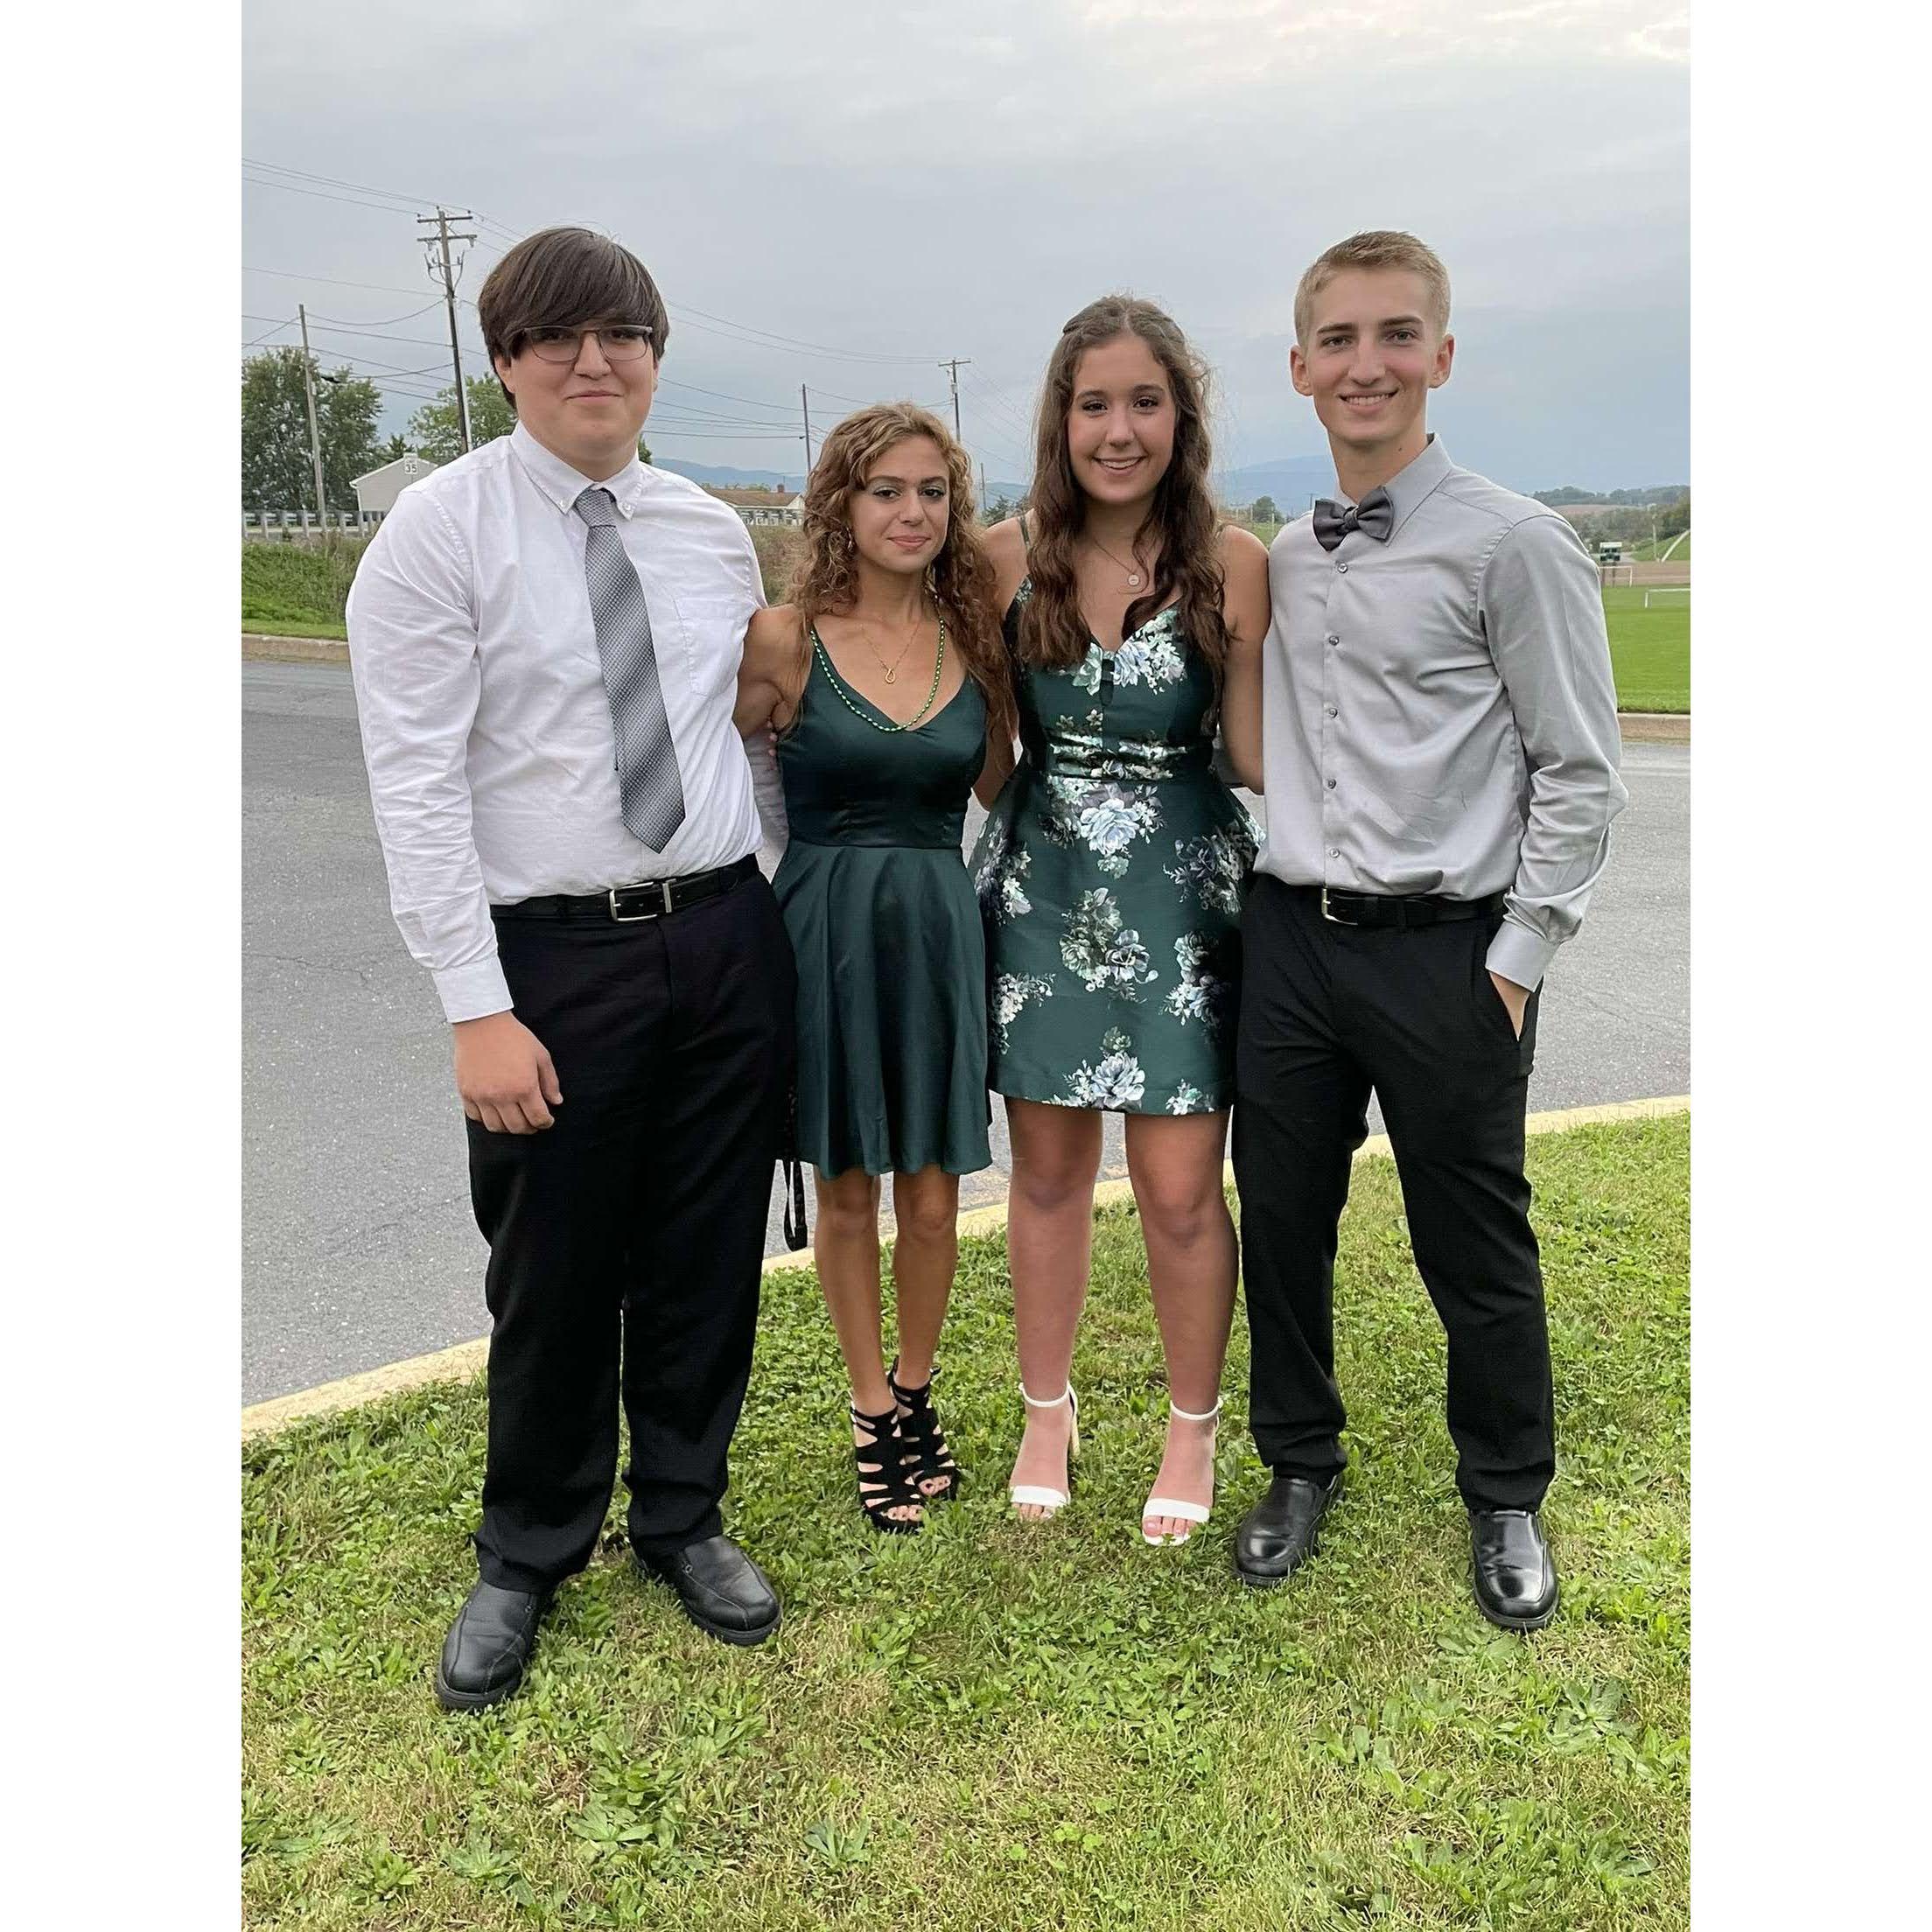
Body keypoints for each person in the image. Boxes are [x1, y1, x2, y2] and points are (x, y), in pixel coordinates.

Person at [346, 227, 797, 1712]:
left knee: (706, 1248)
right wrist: (475, 1005)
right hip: (551, 957)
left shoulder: (706, 530)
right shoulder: (440, 532)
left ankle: (682, 1514)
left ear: (657, 358)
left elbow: (741, 732)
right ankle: (529, 1549)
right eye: (558, 337)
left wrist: (763, 894)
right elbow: (416, 784)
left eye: (624, 337)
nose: (594, 362)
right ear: (506, 362)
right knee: (551, 1266)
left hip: (721, 929)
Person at [1226, 230, 1628, 1629]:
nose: (1367, 364)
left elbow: (1580, 771)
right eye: (1338, 340)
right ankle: (1298, 1462)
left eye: (1396, 334)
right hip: (1292, 940)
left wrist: (1517, 962)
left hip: (1451, 950)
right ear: (1299, 368)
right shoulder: (1287, 554)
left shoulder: (1517, 544)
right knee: (1282, 1221)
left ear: (1441, 356)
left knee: (1473, 1235)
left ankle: (1506, 1490)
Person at [971, 297, 1270, 1545]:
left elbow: (1254, 755)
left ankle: (1191, 1429)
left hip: (1186, 902)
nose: (1119, 429)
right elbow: (988, 759)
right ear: (1060, 419)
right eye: (1094, 404)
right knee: (1045, 1177)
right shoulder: (1001, 558)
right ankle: (1048, 1412)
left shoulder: (1236, 562)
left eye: (1145, 402)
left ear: (1181, 418)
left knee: (1181, 1189)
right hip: (1042, 894)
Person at [735, 403, 1013, 1534]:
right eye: (885, 490)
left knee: (935, 1194)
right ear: (839, 505)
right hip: (823, 929)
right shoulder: (783, 637)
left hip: (939, 927)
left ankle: (916, 1389)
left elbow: (1005, 788)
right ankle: (868, 1414)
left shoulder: (974, 640)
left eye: (932, 492)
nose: (912, 512)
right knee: (847, 1184)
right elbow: (717, 782)